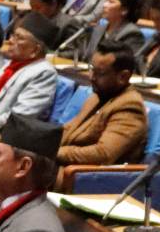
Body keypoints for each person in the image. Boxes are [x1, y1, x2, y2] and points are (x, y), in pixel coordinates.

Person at [58, 44, 147, 176]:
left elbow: (103, 154)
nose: (92, 77)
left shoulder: (130, 106)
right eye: (92, 69)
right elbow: (70, 130)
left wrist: (55, 152)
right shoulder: (98, 95)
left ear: (123, 76)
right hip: (64, 165)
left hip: (84, 176)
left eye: (100, 73)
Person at [0, 14, 61, 125]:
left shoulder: (44, 73)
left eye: (19, 38)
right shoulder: (11, 64)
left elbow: (20, 116)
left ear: (35, 50)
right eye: (13, 35)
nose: (10, 40)